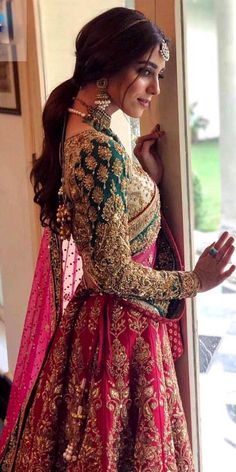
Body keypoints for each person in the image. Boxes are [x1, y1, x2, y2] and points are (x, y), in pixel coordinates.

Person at [0, 7, 235, 471]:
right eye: (146, 72)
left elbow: (108, 221)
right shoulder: (95, 147)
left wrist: (144, 176)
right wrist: (195, 281)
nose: (156, 89)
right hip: (119, 336)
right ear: (107, 63)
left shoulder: (91, 125)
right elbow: (110, 271)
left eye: (160, 74)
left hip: (109, 325)